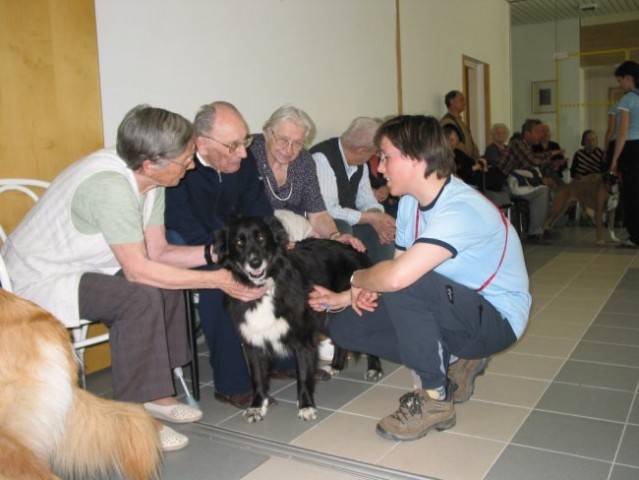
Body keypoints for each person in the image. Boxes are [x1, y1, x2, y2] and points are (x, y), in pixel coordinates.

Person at [0, 105, 266, 452]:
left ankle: (158, 392)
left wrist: (219, 256)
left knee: (167, 283)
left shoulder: (151, 181)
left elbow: (158, 253)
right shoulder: (111, 188)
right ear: (151, 162)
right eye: (185, 158)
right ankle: (135, 416)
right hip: (38, 276)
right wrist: (219, 280)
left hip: (89, 263)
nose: (190, 164)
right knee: (138, 296)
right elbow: (138, 270)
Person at [308, 115, 530, 441]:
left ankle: (435, 398)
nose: (379, 167)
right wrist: (345, 298)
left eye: (385, 156)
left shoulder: (461, 209)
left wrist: (357, 280)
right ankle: (456, 360)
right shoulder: (412, 202)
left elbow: (398, 277)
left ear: (415, 158)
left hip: (496, 320)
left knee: (405, 280)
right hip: (452, 306)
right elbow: (395, 272)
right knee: (347, 326)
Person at [164, 101, 296, 409]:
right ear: (202, 144)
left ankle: (281, 359)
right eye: (233, 145)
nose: (243, 153)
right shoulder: (179, 169)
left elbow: (258, 207)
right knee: (220, 283)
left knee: (281, 267)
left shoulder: (243, 162)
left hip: (239, 240)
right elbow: (181, 224)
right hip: (194, 245)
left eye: (245, 141)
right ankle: (231, 383)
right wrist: (227, 257)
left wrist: (277, 240)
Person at [248, 104, 364, 252]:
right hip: (258, 235)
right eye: (283, 140)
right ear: (267, 133)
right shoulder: (249, 154)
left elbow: (318, 214)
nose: (289, 149)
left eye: (297, 143)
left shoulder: (304, 161)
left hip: (298, 234)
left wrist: (335, 236)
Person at [310, 117, 395, 264]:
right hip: (320, 224)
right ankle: (348, 282)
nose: (374, 157)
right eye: (374, 153)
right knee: (342, 225)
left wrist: (377, 216)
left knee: (381, 228)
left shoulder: (360, 163)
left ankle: (380, 278)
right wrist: (371, 218)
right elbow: (328, 211)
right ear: (361, 151)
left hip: (348, 221)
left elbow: (367, 200)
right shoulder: (322, 158)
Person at [499, 119, 556, 243]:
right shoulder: (517, 144)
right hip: (506, 184)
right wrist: (550, 155)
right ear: (527, 132)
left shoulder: (527, 146)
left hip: (519, 182)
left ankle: (543, 227)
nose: (541, 135)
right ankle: (534, 232)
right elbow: (531, 161)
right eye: (538, 132)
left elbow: (533, 162)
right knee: (542, 191)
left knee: (551, 188)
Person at [609, 60, 639, 248]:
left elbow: (622, 131)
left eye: (620, 80)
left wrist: (614, 159)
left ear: (628, 78)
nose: (620, 85)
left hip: (631, 149)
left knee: (631, 194)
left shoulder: (627, 99)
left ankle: (635, 236)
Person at [440, 90, 480, 161]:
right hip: (458, 163)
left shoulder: (459, 121)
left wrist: (476, 157)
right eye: (461, 100)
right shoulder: (447, 122)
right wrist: (470, 160)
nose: (465, 103)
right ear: (452, 102)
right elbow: (456, 144)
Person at [368, 152, 399, 217]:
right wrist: (370, 191)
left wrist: (387, 188)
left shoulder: (386, 156)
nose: (380, 168)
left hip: (385, 203)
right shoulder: (359, 160)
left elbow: (398, 178)